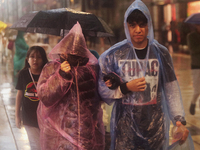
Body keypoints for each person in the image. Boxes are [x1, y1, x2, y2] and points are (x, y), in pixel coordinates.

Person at [98, 0, 194, 149]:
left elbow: (171, 89)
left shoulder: (161, 53)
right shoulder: (115, 55)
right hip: (125, 128)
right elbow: (103, 90)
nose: (138, 30)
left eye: (142, 25)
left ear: (148, 25)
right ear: (126, 26)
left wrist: (178, 121)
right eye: (133, 25)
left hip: (155, 127)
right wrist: (125, 87)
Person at [36, 22, 105, 150]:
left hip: (87, 137)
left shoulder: (91, 69)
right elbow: (45, 96)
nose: (72, 54)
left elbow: (99, 98)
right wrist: (61, 76)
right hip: (60, 138)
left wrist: (111, 81)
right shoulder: (52, 68)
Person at [15, 46, 48, 150]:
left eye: (39, 57)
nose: (35, 59)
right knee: (35, 145)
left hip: (45, 117)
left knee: (46, 144)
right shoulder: (23, 74)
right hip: (28, 116)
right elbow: (19, 95)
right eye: (32, 56)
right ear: (27, 59)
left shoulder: (47, 74)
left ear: (43, 59)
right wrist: (17, 116)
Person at [187, 24, 200, 115]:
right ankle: (193, 103)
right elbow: (192, 49)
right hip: (197, 65)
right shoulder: (191, 36)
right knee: (197, 89)